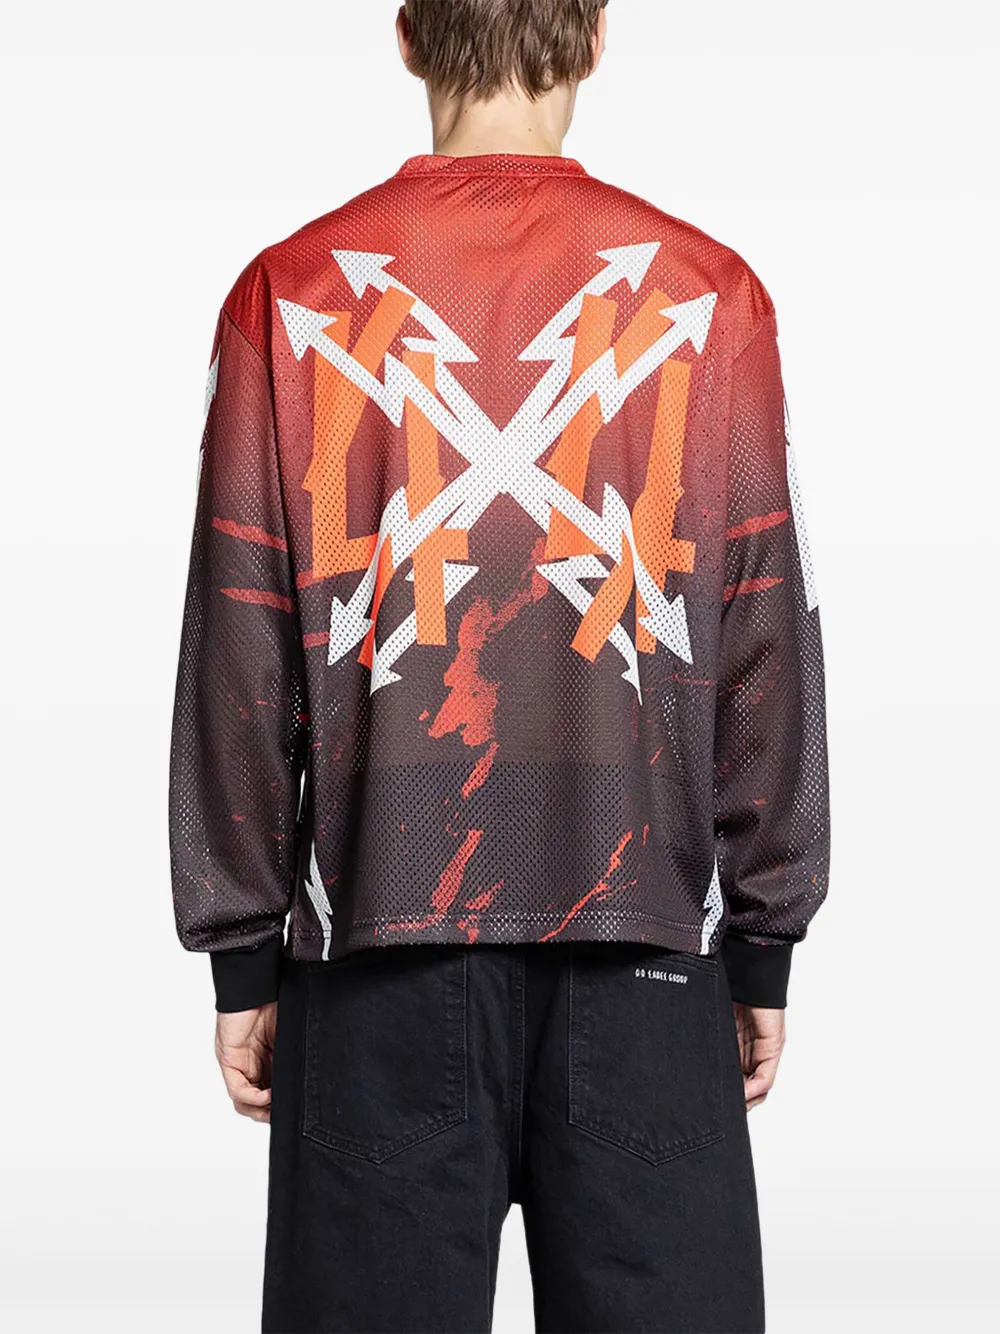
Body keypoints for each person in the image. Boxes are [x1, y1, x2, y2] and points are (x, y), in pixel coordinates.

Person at [168, 2, 830, 1330]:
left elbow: (238, 648)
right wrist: (762, 938)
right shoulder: (709, 300)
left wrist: (242, 948)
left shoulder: (290, 296)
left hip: (377, 960)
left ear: (409, 36)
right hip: (647, 962)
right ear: (593, 36)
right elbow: (765, 634)